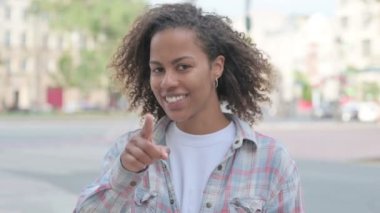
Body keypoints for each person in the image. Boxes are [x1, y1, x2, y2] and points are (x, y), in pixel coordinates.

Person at [74, 3, 303, 213]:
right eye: (158, 69)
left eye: (183, 67)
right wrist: (126, 173)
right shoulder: (129, 153)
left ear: (216, 67)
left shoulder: (271, 160)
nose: (167, 82)